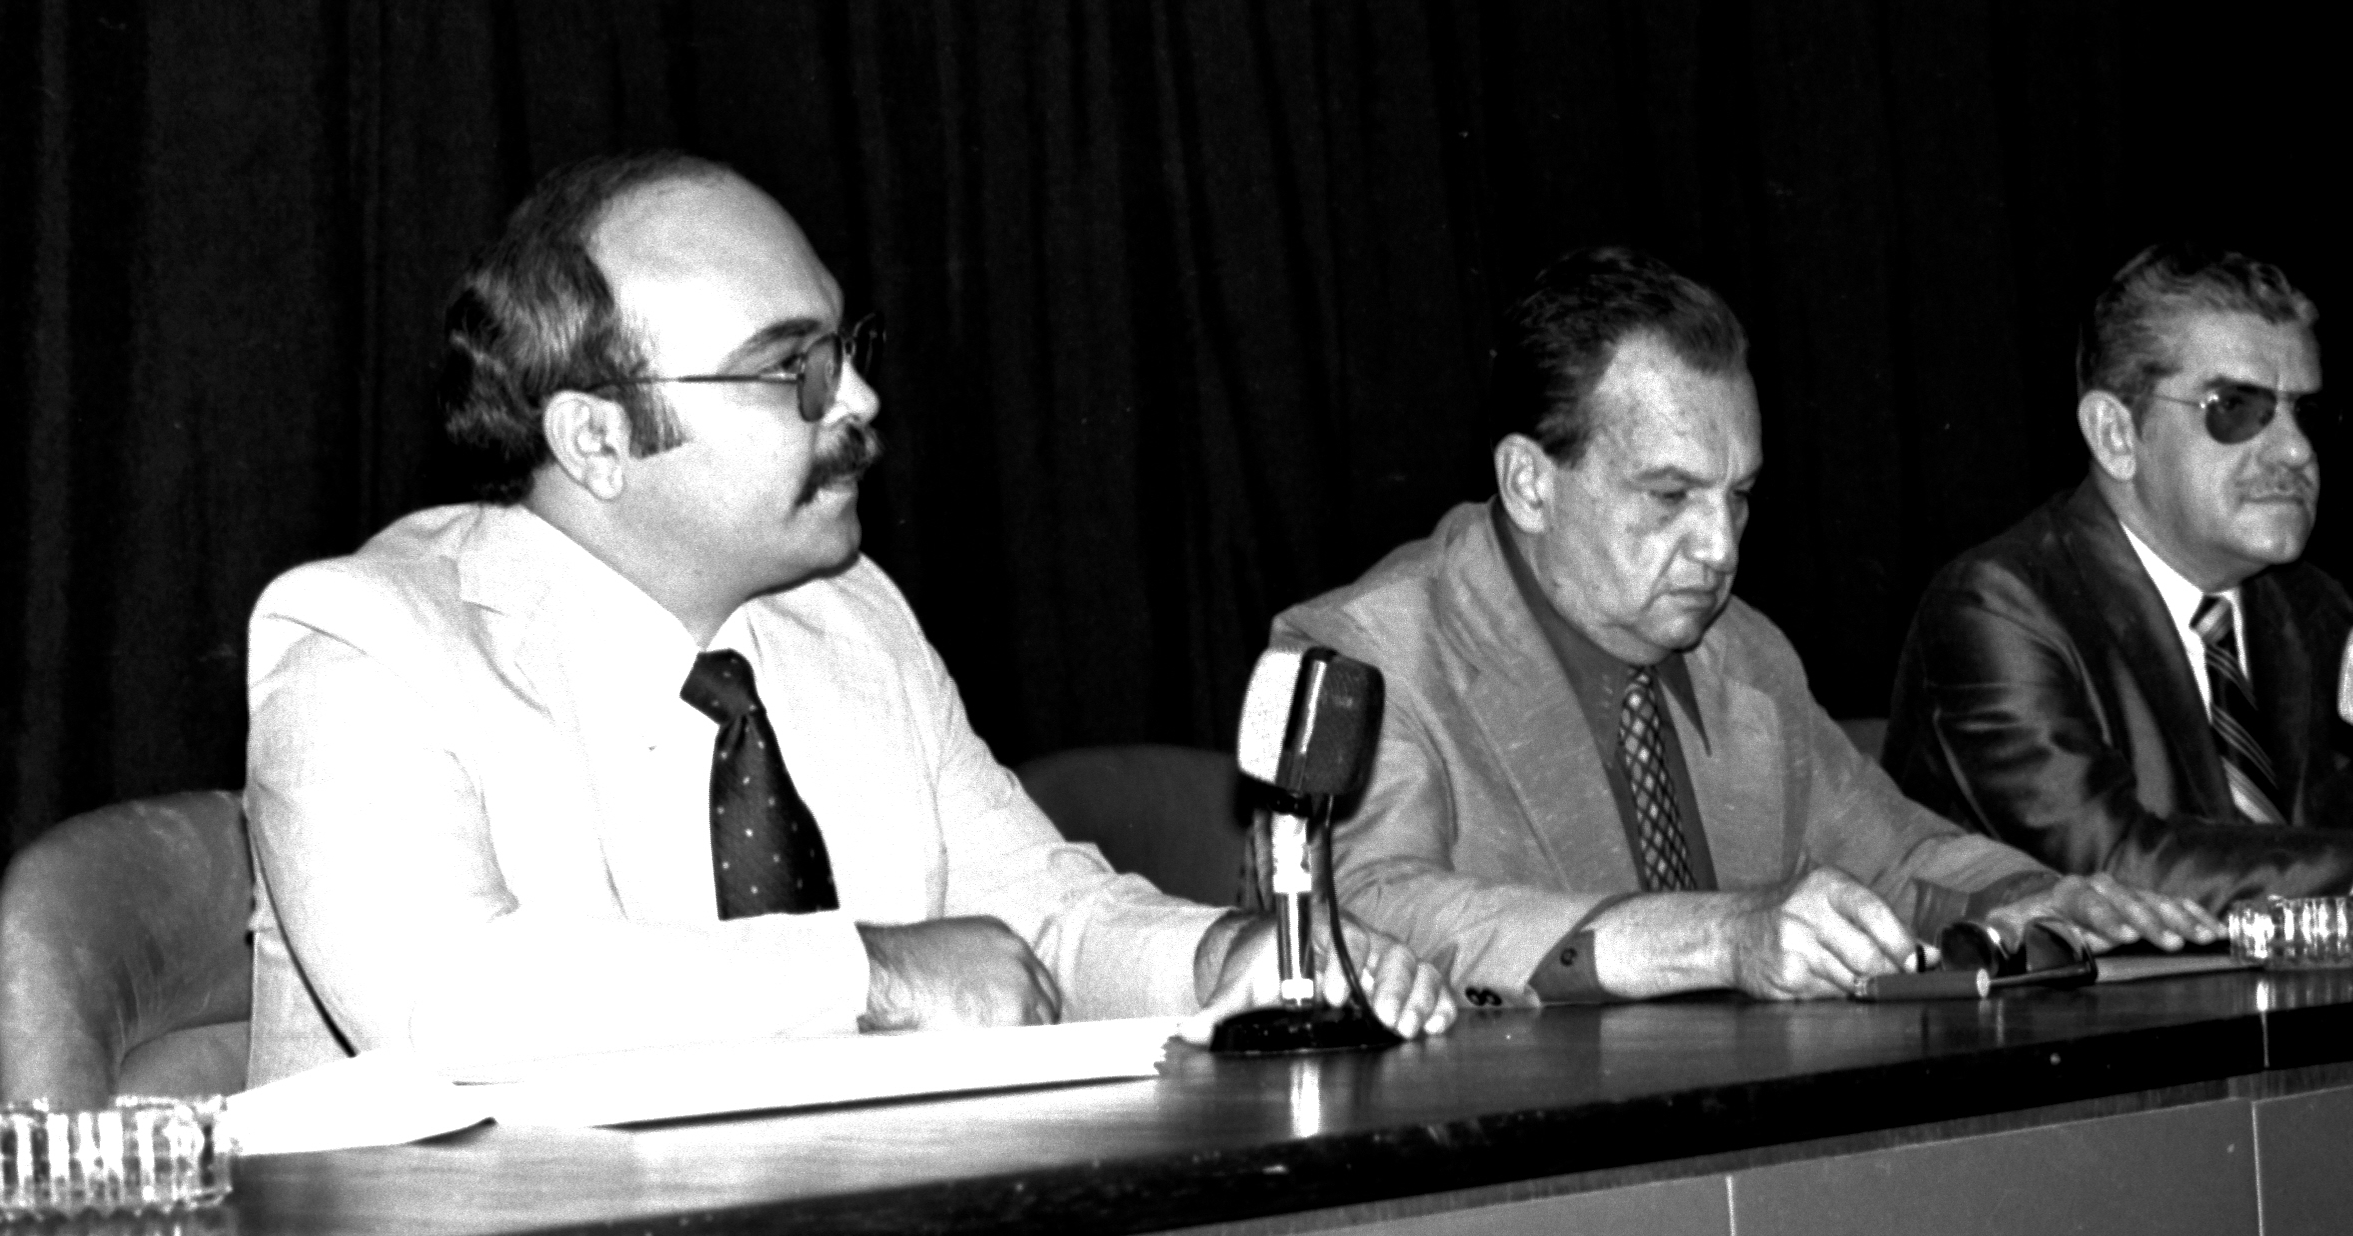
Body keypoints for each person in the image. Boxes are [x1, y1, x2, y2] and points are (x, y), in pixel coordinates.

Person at [245, 151, 1453, 1081]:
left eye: (847, 347)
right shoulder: (364, 647)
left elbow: (1041, 914)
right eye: (795, 369)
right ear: (597, 438)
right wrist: (869, 975)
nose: (861, 399)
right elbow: (454, 1005)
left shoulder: (851, 617)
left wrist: (1229, 958)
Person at [1271, 246, 2218, 1008]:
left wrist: (2039, 896)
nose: (1721, 547)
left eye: (1739, 495)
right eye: (1670, 495)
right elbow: (1359, 906)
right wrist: (1718, 937)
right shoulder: (1366, 653)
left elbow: (1900, 856)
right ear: (1529, 483)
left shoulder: (1745, 653)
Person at [1882, 242, 2353, 913]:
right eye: (2236, 409)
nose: (2296, 450)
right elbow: (2111, 871)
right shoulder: (1999, 606)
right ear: (2116, 435)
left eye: (2305, 412)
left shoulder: (2307, 602)